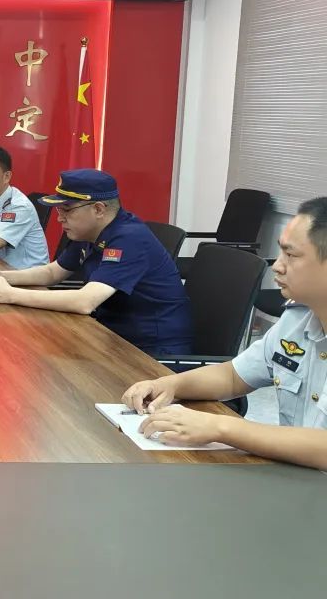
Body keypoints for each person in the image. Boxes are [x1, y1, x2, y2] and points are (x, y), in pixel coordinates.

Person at [121, 197, 327, 469]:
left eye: (291, 255)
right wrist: (170, 385)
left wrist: (221, 428)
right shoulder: (297, 319)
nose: (277, 265)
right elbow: (233, 376)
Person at [0, 169, 193, 357]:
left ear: (98, 209)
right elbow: (52, 273)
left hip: (151, 354)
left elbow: (85, 301)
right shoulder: (89, 232)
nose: (59, 218)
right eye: (58, 210)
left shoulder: (129, 238)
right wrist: (2, 275)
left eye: (67, 210)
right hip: (110, 337)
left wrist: (10, 295)